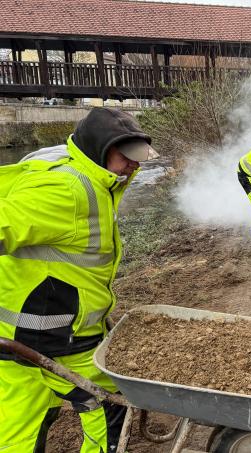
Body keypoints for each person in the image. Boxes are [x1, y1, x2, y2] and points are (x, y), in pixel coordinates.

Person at [0, 107, 159, 452]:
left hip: (16, 329)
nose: (135, 165)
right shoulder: (66, 189)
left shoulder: (89, 174)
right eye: (126, 156)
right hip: (55, 332)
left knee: (22, 420)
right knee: (108, 403)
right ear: (99, 150)